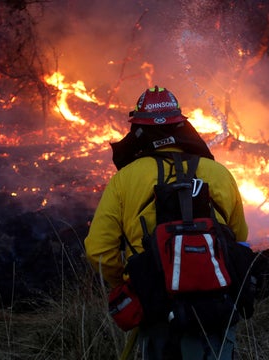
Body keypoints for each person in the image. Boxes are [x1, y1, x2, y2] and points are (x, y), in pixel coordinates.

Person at [84, 85, 249, 359]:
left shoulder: (125, 179)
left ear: (137, 130)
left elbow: (98, 251)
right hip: (217, 303)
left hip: (155, 304)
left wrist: (129, 281)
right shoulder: (220, 174)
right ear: (182, 125)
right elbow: (240, 237)